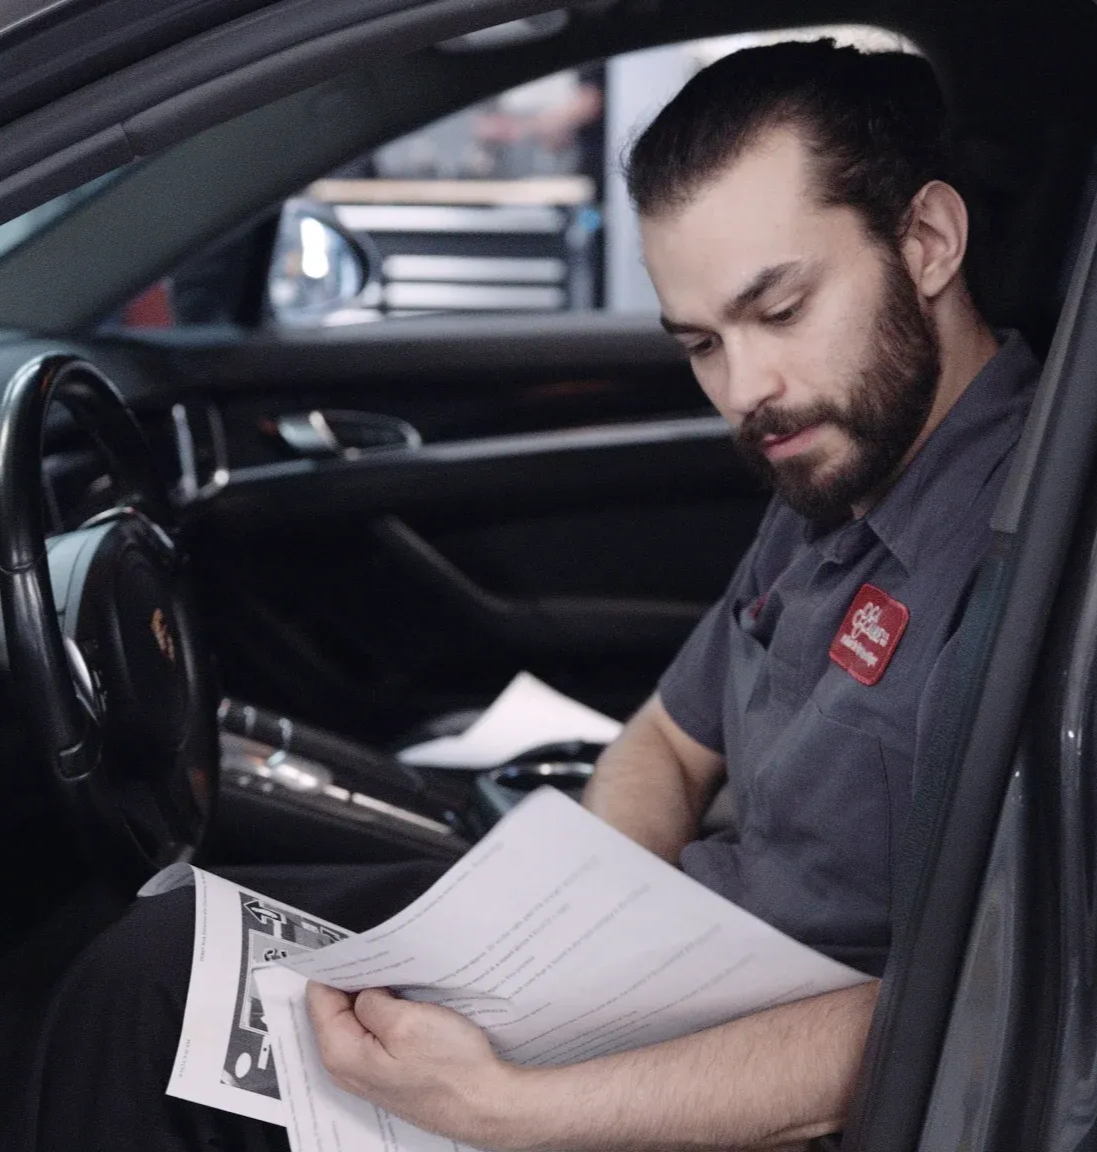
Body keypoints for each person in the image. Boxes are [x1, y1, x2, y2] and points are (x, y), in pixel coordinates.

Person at [20, 40, 1040, 1152]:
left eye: (782, 310)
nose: (745, 392)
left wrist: (523, 1111)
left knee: (146, 1023)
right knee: (168, 959)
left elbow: (964, 1006)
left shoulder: (1027, 543)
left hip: (769, 1093)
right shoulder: (835, 482)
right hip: (663, 999)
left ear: (928, 242)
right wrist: (590, 947)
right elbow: (667, 740)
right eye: (701, 343)